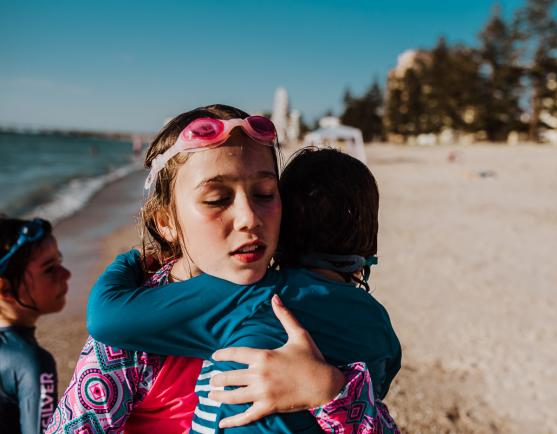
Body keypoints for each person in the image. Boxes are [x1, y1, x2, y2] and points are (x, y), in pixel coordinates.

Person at [47, 105, 399, 433]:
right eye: (217, 199)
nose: (249, 218)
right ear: (166, 221)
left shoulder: (287, 305)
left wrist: (331, 392)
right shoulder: (124, 347)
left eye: (264, 193)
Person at [0, 217, 71, 433]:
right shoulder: (32, 362)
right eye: (50, 269)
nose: (66, 274)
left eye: (59, 261)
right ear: (5, 290)